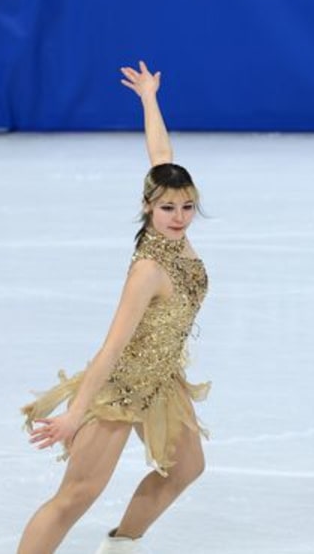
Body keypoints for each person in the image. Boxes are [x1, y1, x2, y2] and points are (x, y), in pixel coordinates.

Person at [17, 61, 210, 554]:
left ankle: (122, 544)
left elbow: (161, 153)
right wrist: (75, 415)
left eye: (187, 207)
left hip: (161, 378)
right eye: (168, 208)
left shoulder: (180, 237)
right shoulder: (148, 268)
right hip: (121, 387)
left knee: (188, 467)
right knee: (77, 495)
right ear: (149, 207)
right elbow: (110, 349)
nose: (179, 217)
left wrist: (149, 98)